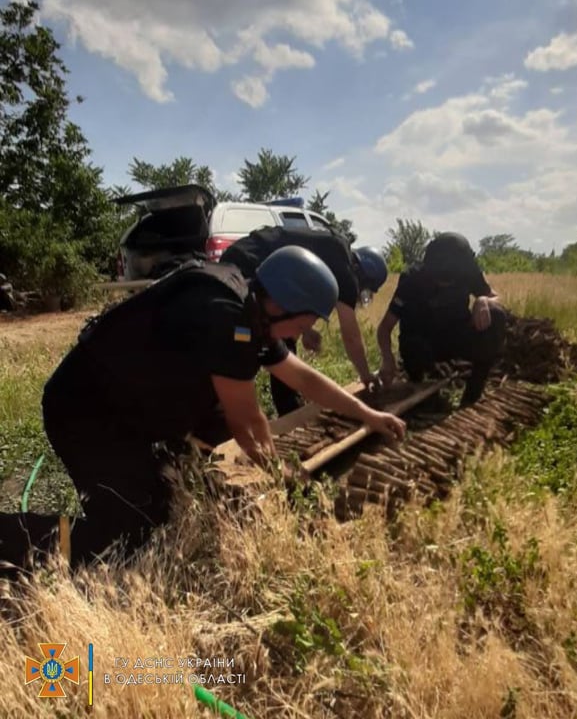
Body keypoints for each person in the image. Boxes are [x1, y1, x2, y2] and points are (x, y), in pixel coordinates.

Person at [0, 248, 405, 575]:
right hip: (86, 414)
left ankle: (155, 471)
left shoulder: (251, 308)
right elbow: (247, 423)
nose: (302, 335)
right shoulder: (225, 317)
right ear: (285, 305)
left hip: (125, 405)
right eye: (305, 324)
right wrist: (279, 481)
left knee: (167, 498)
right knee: (127, 537)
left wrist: (366, 414)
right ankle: (13, 539)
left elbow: (302, 379)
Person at [219, 225, 388, 415]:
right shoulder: (346, 273)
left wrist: (305, 330)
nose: (359, 293)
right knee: (249, 337)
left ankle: (285, 405)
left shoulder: (333, 252)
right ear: (363, 275)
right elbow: (351, 337)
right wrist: (366, 376)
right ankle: (272, 409)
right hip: (248, 265)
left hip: (242, 255)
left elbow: (295, 304)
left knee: (275, 338)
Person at [377, 232, 506, 407]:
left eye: (448, 281)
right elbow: (385, 327)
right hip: (423, 342)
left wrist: (483, 300)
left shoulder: (468, 271)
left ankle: (471, 395)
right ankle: (419, 384)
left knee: (496, 315)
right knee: (414, 347)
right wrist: (387, 358)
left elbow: (495, 297)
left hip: (454, 337)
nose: (442, 284)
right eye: (438, 279)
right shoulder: (412, 279)